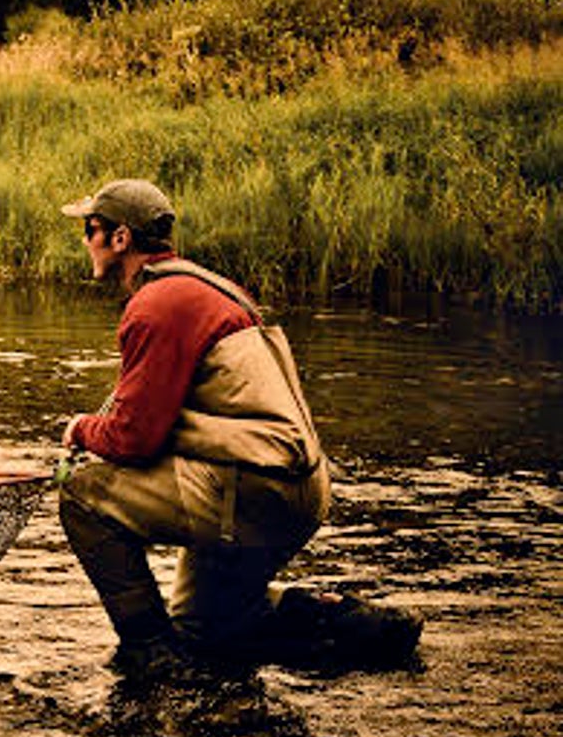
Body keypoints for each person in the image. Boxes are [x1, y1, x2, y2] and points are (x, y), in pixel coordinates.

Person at [55, 177, 407, 680]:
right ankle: (351, 625)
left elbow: (135, 439)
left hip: (258, 489)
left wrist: (82, 430)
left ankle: (148, 656)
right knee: (208, 629)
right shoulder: (202, 287)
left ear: (120, 238)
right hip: (297, 485)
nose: (85, 239)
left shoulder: (155, 305)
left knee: (84, 497)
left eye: (91, 228)